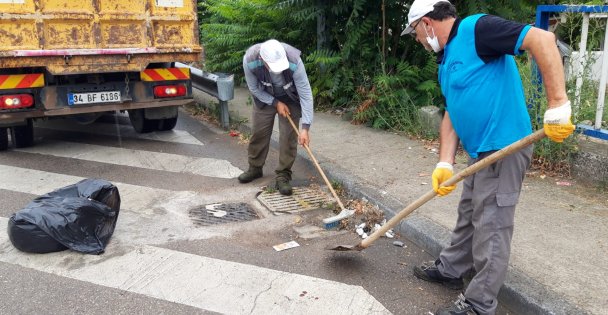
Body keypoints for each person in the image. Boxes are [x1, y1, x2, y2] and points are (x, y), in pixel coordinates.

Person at [401, 1, 575, 314]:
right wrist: (444, 162)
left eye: (415, 32)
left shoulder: (475, 29)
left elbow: (542, 39)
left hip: (504, 146)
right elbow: (453, 112)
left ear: (426, 23)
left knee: (491, 224)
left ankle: (479, 303)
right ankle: (451, 269)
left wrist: (558, 103)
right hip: (480, 149)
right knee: (469, 211)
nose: (417, 40)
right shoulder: (447, 59)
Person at [238, 39, 314, 196]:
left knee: (288, 137)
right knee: (259, 132)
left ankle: (283, 175)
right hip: (264, 96)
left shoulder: (294, 61)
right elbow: (253, 88)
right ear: (263, 60)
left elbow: (306, 95)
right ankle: (255, 168)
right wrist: (275, 102)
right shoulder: (250, 60)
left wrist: (305, 128)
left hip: (290, 97)